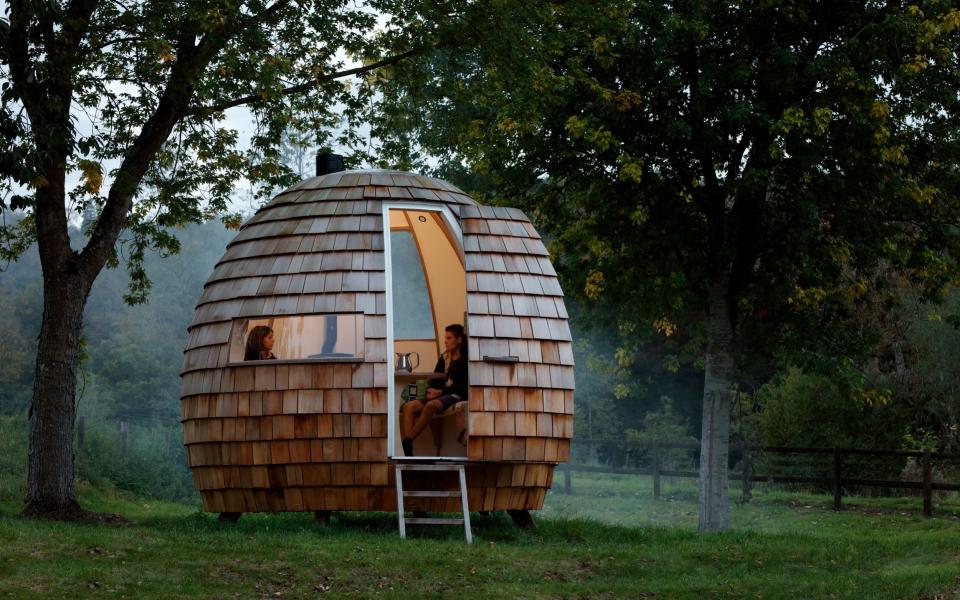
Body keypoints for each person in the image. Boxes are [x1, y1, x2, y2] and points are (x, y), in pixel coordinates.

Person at [401, 324, 468, 456]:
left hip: (455, 395)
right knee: (408, 407)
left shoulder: (465, 360)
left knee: (430, 406)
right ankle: (409, 450)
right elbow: (436, 378)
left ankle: (407, 441)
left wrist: (441, 391)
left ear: (459, 340)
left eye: (449, 338)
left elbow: (464, 387)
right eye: (445, 338)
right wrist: (432, 389)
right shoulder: (444, 359)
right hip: (440, 395)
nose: (445, 341)